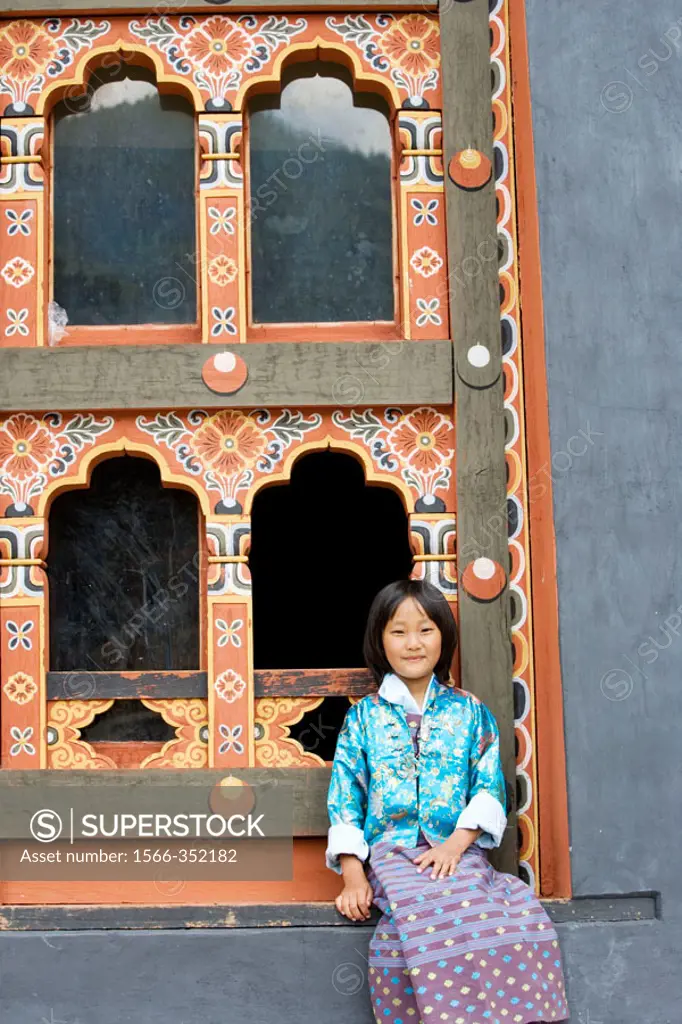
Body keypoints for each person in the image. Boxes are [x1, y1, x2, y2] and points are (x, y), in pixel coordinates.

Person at [326, 579, 569, 1024]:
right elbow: (346, 797)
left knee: (506, 912)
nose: (413, 643)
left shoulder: (469, 711)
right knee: (432, 909)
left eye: (425, 630)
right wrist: (353, 877)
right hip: (393, 854)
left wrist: (455, 846)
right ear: (380, 641)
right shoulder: (363, 718)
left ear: (444, 636)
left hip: (459, 851)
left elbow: (488, 787)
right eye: (398, 632)